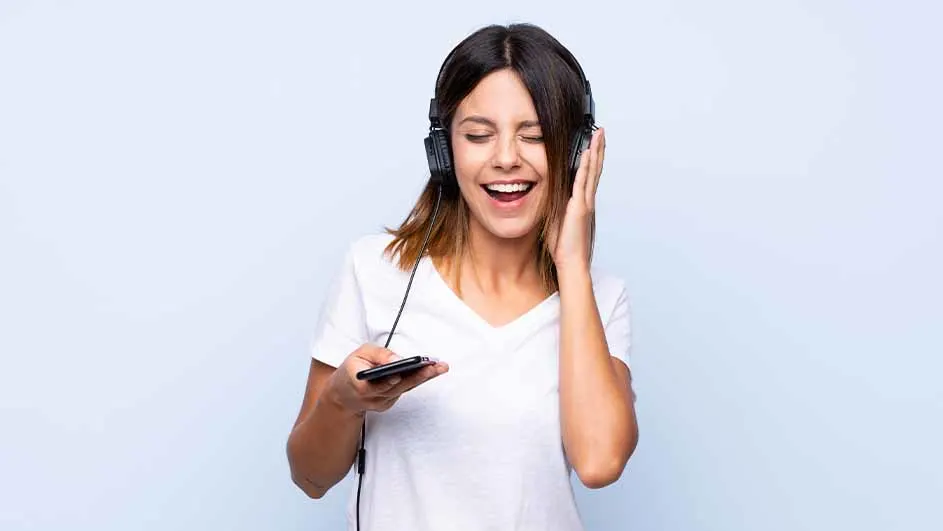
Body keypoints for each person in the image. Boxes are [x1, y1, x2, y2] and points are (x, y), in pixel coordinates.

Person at [286, 22, 638, 531]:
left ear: (577, 149)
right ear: (445, 152)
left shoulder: (599, 297)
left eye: (535, 135)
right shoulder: (374, 271)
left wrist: (572, 265)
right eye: (478, 135)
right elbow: (310, 476)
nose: (505, 159)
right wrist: (343, 400)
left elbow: (600, 462)